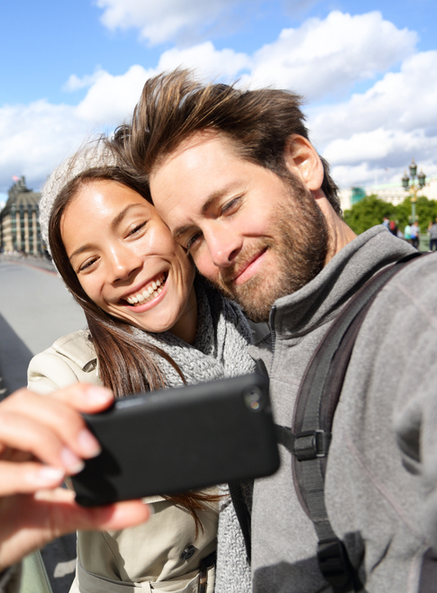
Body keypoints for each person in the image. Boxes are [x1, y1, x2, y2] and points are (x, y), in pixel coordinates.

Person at [114, 68, 437, 591]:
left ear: (302, 164)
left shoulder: (415, 315)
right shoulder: (262, 345)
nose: (218, 251)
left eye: (229, 206)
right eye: (192, 237)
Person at [26, 140, 256, 593]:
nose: (123, 267)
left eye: (133, 230)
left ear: (173, 221)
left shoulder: (262, 325)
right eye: (89, 261)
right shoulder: (71, 379)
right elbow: (23, 480)